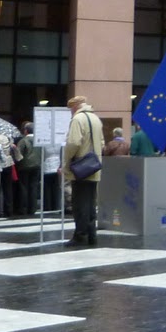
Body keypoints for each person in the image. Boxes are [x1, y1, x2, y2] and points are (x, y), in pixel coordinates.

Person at [62, 96, 104, 247]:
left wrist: (66, 162)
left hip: (80, 168)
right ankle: (92, 235)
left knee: (80, 203)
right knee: (91, 202)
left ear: (75, 106)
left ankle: (80, 236)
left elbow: (73, 143)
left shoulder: (78, 119)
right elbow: (102, 143)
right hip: (94, 166)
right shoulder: (96, 119)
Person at [15, 124, 40, 215]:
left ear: (26, 131)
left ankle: (23, 207)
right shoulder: (39, 140)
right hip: (37, 165)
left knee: (24, 187)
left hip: (24, 166)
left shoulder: (23, 141)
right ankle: (32, 208)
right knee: (33, 187)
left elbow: (18, 154)